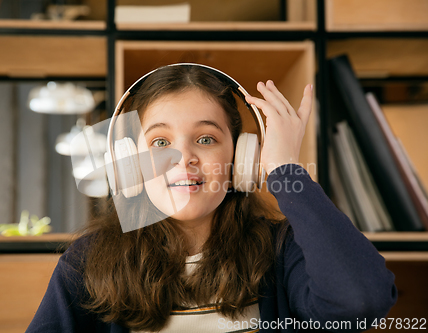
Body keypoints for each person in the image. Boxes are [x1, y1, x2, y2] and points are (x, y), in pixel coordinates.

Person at [25, 64, 397, 333]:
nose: (183, 158)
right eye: (159, 142)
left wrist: (285, 169)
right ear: (130, 163)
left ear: (241, 160)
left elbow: (360, 303)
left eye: (205, 139)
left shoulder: (283, 253)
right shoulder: (88, 262)